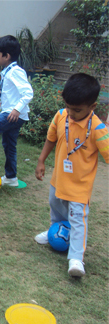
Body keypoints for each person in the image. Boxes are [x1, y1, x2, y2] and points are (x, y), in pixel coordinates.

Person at [34, 73, 109, 277]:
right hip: (58, 180)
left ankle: (76, 258)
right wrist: (41, 161)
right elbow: (50, 139)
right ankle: (54, 233)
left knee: (77, 220)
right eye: (67, 106)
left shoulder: (98, 128)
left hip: (79, 187)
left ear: (92, 107)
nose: (71, 113)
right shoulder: (60, 116)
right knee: (56, 210)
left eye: (76, 110)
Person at [0, 35, 33, 186]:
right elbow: (11, 94)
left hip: (13, 114)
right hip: (12, 112)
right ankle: (11, 178)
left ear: (7, 56)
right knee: (9, 145)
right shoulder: (8, 71)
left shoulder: (15, 71)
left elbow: (28, 92)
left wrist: (16, 110)